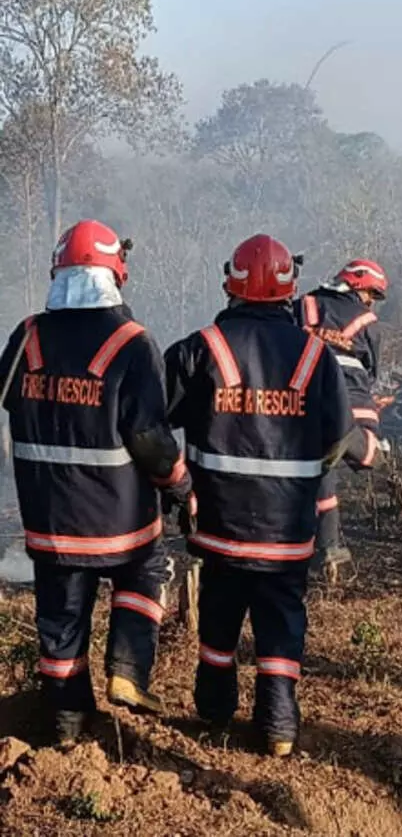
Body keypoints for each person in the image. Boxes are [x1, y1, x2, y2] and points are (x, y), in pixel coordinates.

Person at [164, 234, 365, 757]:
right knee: (281, 623)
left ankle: (213, 715)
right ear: (289, 289)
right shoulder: (316, 357)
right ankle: (278, 726)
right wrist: (302, 478)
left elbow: (151, 419)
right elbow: (341, 438)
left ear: (229, 283)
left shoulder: (197, 350)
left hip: (221, 526)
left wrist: (179, 485)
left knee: (219, 617)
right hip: (286, 531)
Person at [0, 220, 191, 744]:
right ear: (116, 275)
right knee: (145, 570)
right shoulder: (132, 343)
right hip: (120, 523)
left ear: (58, 273)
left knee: (61, 623)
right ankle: (127, 671)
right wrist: (180, 485)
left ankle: (64, 725)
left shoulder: (27, 336)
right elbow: (150, 438)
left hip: (50, 525)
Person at [294, 259, 388, 583]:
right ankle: (348, 437)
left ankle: (326, 545)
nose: (371, 301)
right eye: (371, 294)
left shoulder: (302, 305)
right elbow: (373, 368)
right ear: (358, 286)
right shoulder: (367, 320)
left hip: (306, 388)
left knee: (319, 464)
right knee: (372, 452)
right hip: (350, 390)